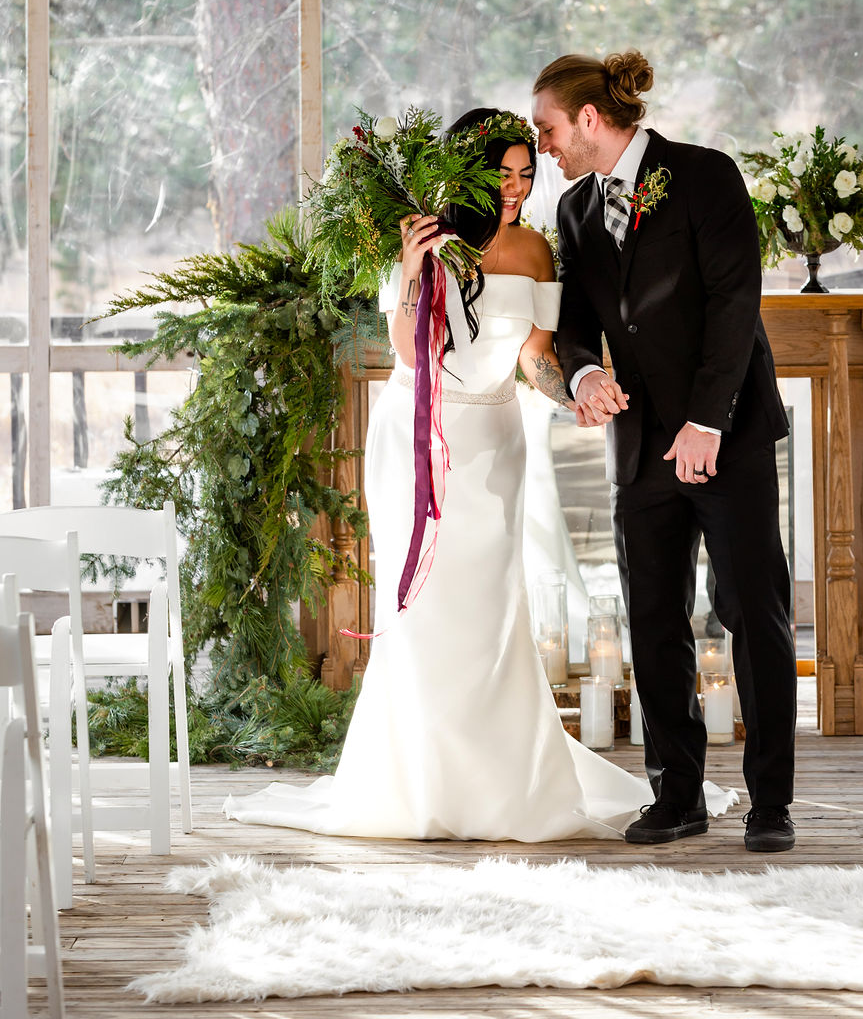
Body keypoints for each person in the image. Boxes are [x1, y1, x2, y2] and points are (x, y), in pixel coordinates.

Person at [226, 108, 737, 841]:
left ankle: (502, 782)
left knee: (494, 607)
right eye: (503, 173)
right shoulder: (428, 240)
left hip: (497, 437)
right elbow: (410, 352)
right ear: (466, 170)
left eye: (527, 173)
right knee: (424, 608)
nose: (516, 187)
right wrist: (409, 269)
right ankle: (422, 778)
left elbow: (536, 358)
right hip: (420, 440)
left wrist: (578, 393)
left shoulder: (536, 249)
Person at [532, 52, 798, 853]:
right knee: (653, 619)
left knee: (754, 612)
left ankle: (770, 805)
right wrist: (580, 373)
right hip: (639, 443)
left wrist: (707, 422)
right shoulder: (576, 210)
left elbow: (733, 302)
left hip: (728, 436)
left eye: (547, 128)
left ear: (587, 119)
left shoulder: (706, 175)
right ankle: (676, 797)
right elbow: (576, 319)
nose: (543, 145)